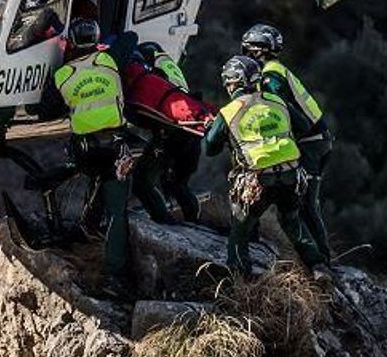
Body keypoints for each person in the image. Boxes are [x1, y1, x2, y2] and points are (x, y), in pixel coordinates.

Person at [38, 17, 153, 299]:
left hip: (85, 153)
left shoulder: (63, 74)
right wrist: (108, 44)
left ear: (71, 44)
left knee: (95, 178)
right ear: (96, 41)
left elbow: (43, 112)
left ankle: (87, 226)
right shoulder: (110, 60)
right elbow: (132, 37)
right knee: (117, 211)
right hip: (115, 148)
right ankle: (116, 275)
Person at [203, 54, 327, 281]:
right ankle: (318, 266)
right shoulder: (276, 101)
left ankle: (239, 279)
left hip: (257, 181)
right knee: (291, 220)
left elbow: (209, 148)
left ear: (233, 82)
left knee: (240, 227)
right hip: (291, 174)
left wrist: (211, 129)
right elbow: (303, 126)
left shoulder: (229, 112)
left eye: (227, 82)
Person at [241, 22, 334, 261]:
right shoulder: (277, 69)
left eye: (247, 50)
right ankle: (321, 257)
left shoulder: (270, 75)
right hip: (317, 140)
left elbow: (279, 110)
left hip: (309, 142)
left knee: (303, 204)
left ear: (257, 51)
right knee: (303, 202)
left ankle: (322, 260)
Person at [134, 41, 203, 222]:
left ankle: (164, 223)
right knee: (178, 184)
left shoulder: (157, 72)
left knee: (142, 182)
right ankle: (194, 222)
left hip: (172, 133)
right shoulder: (170, 65)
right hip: (192, 129)